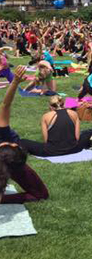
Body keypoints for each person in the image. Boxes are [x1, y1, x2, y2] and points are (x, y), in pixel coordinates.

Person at [0, 67, 49, 204]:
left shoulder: (2, 131)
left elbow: (5, 105)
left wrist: (15, 82)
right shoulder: (5, 135)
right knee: (41, 194)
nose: (15, 143)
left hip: (11, 161)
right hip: (12, 161)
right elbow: (5, 105)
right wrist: (15, 82)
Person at [20, 95, 92, 157]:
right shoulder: (73, 114)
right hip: (74, 149)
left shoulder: (46, 116)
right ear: (63, 104)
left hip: (52, 151)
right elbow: (77, 137)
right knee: (86, 134)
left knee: (23, 141)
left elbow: (46, 140)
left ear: (50, 106)